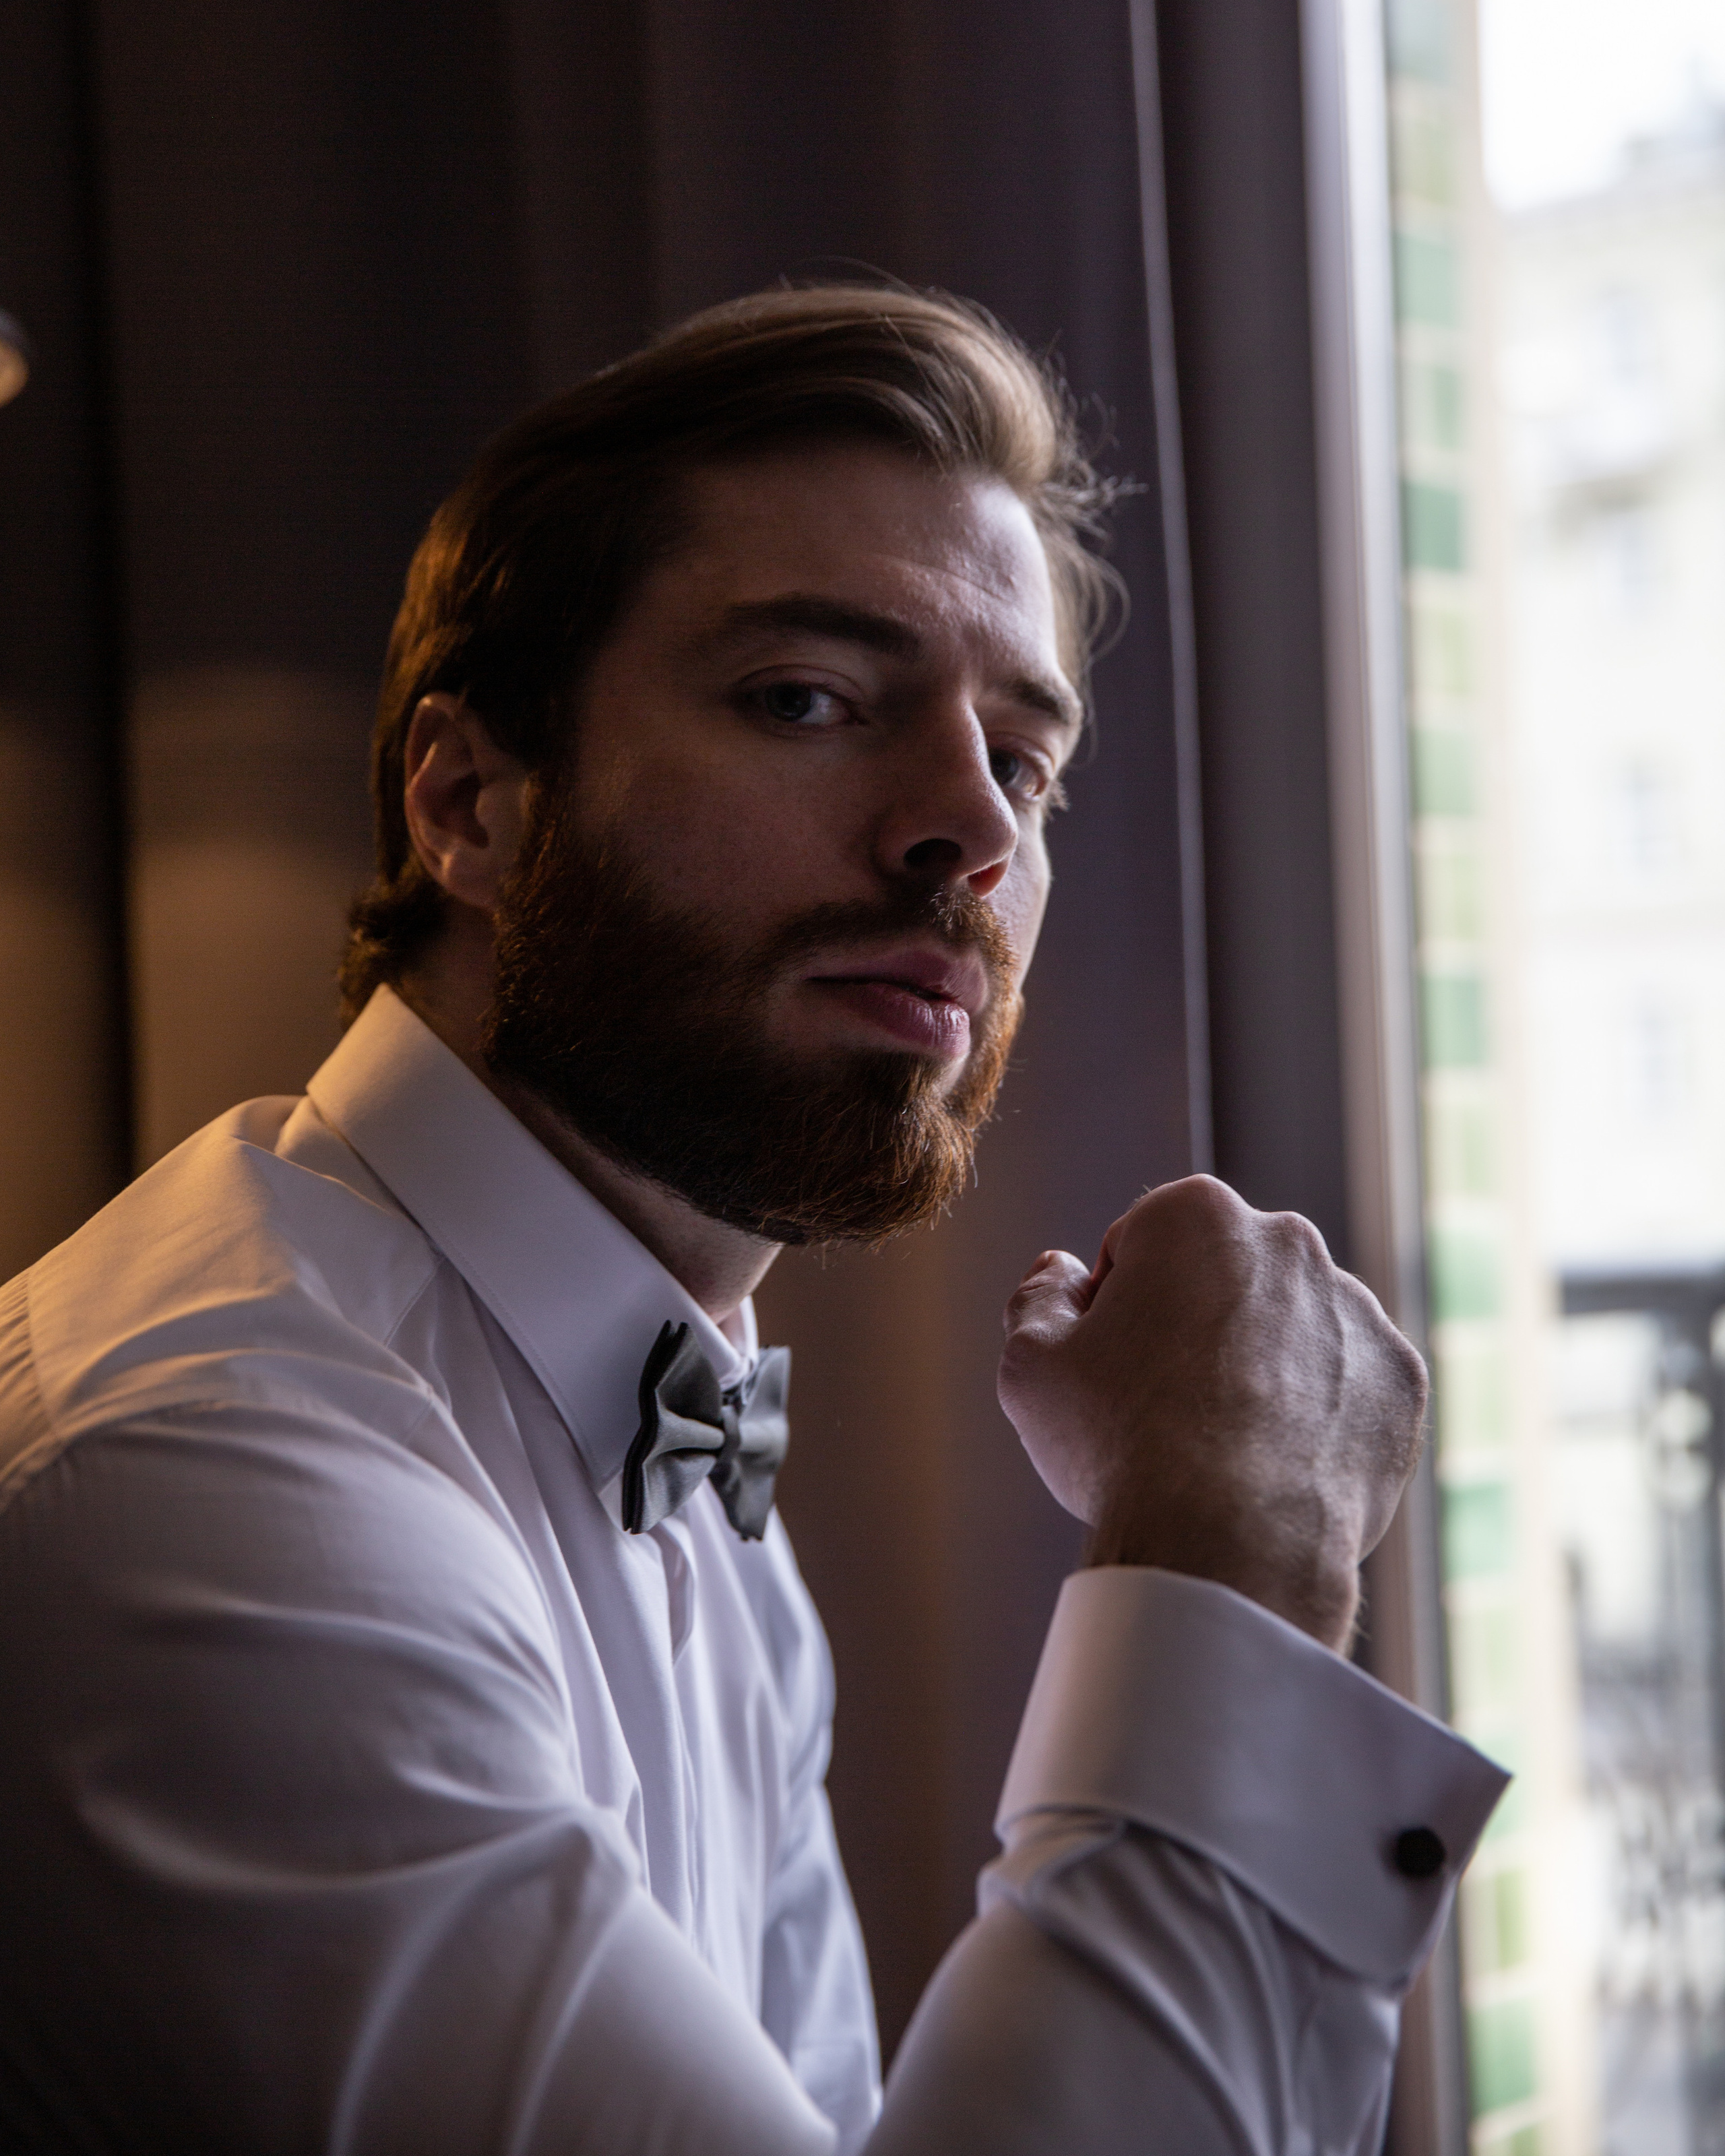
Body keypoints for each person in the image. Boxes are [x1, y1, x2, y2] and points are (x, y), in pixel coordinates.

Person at [0, 284, 1505, 2154]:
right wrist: (1233, 1564)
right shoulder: (210, 1480)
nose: (970, 830)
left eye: (1023, 763)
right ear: (468, 803)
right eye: (809, 699)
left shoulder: (670, 1431)